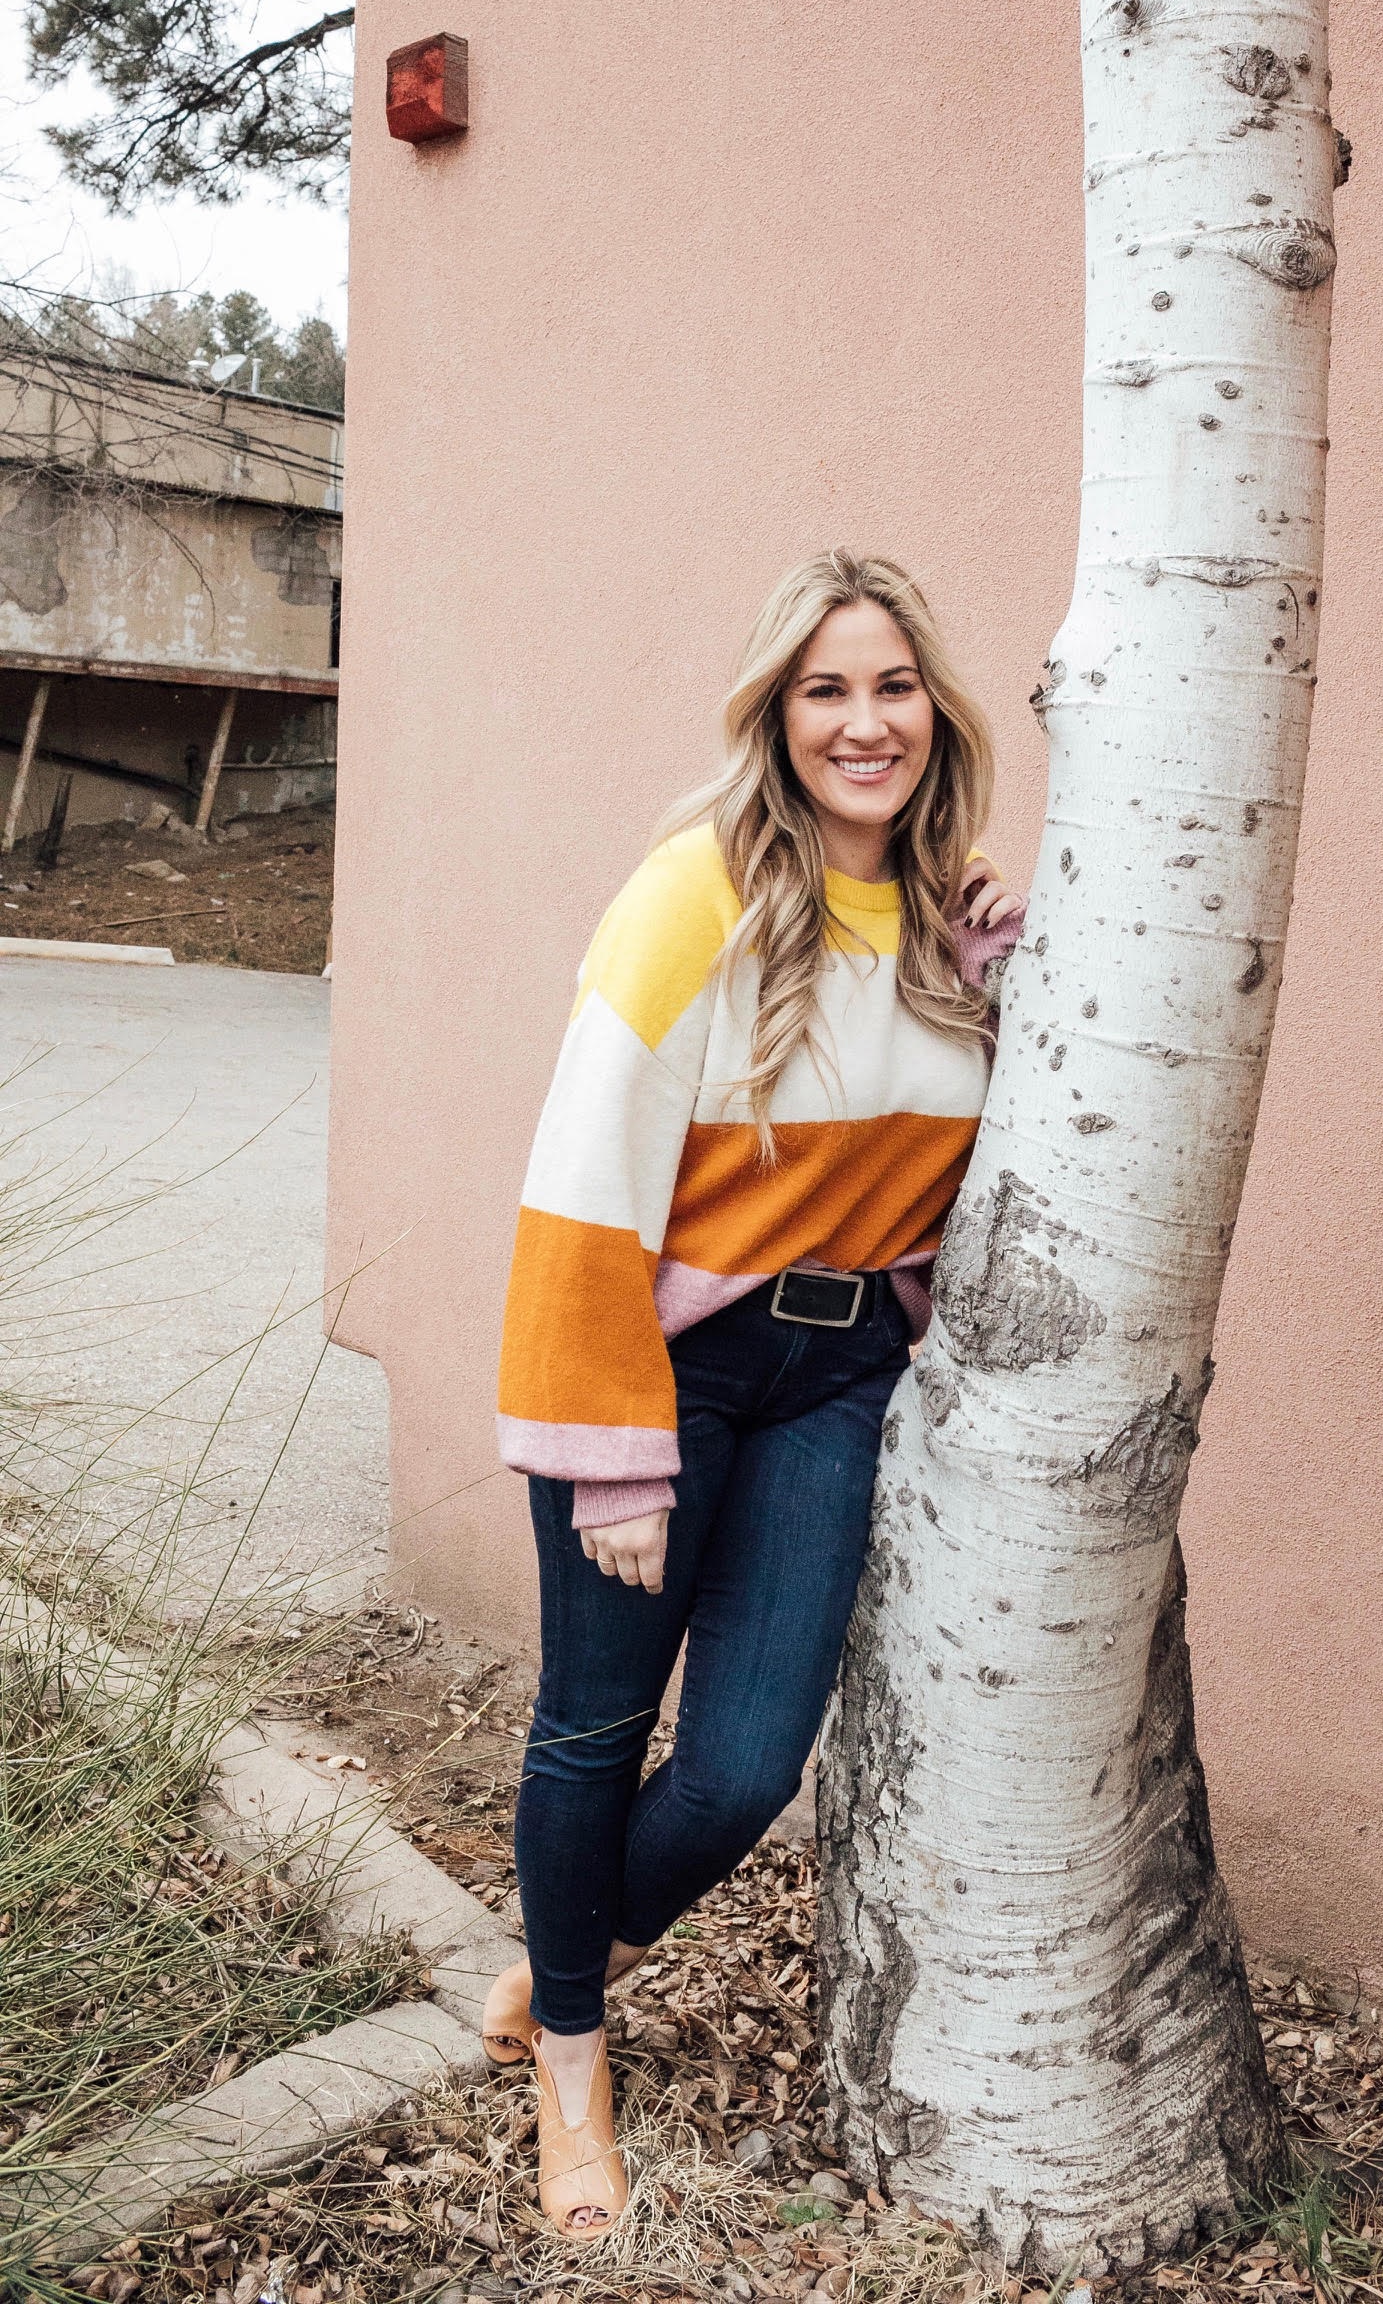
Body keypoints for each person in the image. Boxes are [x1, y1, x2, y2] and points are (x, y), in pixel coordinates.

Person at [483, 550, 1024, 2238]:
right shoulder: (694, 890)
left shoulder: (950, 927)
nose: (865, 724)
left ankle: (570, 1952)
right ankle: (574, 2066)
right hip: (675, 1370)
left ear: (935, 706)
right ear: (775, 717)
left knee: (739, 1770)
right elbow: (581, 1181)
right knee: (592, 1724)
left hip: (839, 1374)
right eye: (825, 691)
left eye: (892, 686)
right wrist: (616, 1458)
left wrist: (1016, 984)